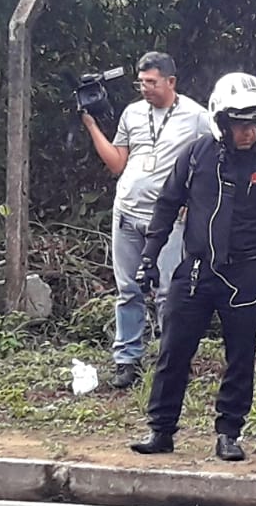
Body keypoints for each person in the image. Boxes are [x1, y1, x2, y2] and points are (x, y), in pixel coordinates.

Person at [128, 72, 256, 460]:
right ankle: (161, 430)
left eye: (255, 125)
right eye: (242, 125)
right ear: (222, 122)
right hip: (195, 271)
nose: (249, 132)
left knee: (240, 356)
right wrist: (148, 259)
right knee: (173, 351)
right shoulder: (196, 156)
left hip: (245, 274)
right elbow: (167, 205)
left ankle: (229, 434)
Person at [81, 51, 213, 389]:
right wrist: (92, 127)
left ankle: (172, 358)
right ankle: (127, 360)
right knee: (128, 290)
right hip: (127, 211)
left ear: (171, 81)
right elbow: (116, 163)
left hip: (167, 218)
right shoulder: (132, 113)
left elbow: (209, 165)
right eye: (141, 82)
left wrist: (192, 202)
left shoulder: (197, 117)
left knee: (169, 292)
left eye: (152, 82)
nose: (145, 88)